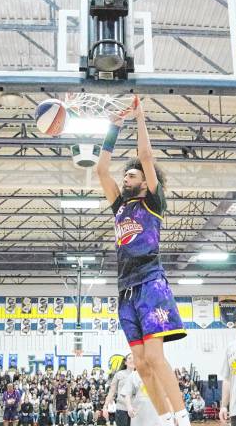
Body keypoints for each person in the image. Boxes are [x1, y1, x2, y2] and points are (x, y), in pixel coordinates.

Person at [95, 96, 189, 426]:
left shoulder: (152, 202)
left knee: (154, 355)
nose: (126, 177)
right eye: (127, 175)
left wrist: (139, 117)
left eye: (133, 175)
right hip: (126, 289)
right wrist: (114, 126)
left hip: (151, 280)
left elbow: (146, 155)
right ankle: (165, 419)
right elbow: (100, 169)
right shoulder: (119, 206)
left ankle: (182, 416)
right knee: (140, 361)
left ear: (145, 181)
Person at [102, 355, 134, 426]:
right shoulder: (119, 374)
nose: (132, 360)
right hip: (122, 409)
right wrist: (105, 406)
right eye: (129, 358)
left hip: (136, 410)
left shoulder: (140, 375)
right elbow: (112, 391)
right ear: (125, 362)